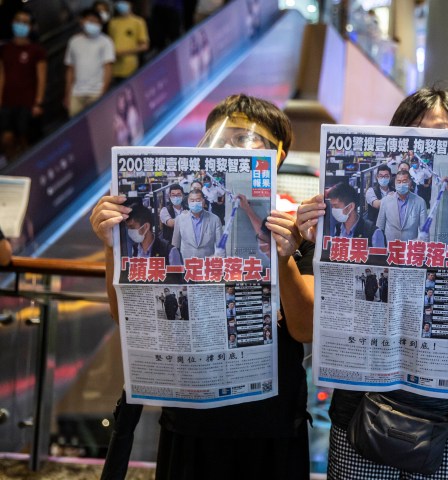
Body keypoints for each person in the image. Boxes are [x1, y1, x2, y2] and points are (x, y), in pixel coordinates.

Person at [90, 94, 315, 479]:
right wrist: (113, 245)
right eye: (220, 137)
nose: (230, 148)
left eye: (248, 140)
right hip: (189, 417)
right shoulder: (175, 223)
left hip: (270, 422)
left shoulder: (300, 228)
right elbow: (123, 313)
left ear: (277, 156)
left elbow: (304, 327)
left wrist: (283, 257)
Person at [296, 86, 448, 479]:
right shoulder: (371, 211)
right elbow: (312, 317)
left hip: (447, 412)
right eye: (414, 133)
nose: (426, 144)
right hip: (360, 402)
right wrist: (309, 236)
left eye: (442, 132)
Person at [0, 9, 47, 160]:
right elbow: (1, 75)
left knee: (25, 139)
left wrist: (38, 103)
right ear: (12, 23)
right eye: (18, 21)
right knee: (6, 139)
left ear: (31, 27)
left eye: (25, 22)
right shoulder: (4, 49)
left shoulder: (37, 51)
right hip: (7, 102)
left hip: (27, 103)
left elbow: (41, 79)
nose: (21, 25)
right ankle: (13, 171)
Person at [64, 9, 115, 117]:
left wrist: (103, 92)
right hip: (77, 93)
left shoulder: (105, 42)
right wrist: (67, 93)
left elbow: (108, 68)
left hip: (96, 93)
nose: (92, 24)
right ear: (82, 22)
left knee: (97, 124)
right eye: (90, 21)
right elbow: (70, 69)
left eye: (96, 22)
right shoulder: (74, 41)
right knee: (75, 126)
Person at [376, 169, 427, 242]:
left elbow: (424, 230)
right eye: (399, 182)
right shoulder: (385, 201)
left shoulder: (420, 202)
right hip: (390, 246)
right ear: (395, 183)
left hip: (410, 247)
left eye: (404, 182)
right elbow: (379, 226)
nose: (401, 184)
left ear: (410, 183)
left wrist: (424, 249)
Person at [171, 188, 223, 260]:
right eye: (192, 200)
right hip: (186, 263)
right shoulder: (180, 219)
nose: (195, 203)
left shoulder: (214, 219)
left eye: (198, 200)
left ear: (203, 201)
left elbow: (220, 246)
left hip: (208, 263)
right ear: (188, 202)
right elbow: (175, 245)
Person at [328, 181, 384, 247]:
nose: (333, 210)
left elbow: (378, 257)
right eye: (332, 207)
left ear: (350, 207)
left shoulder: (373, 232)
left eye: (336, 207)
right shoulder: (337, 229)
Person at [108, 0, 149, 83]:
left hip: (131, 66)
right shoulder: (112, 23)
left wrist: (124, 52)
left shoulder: (138, 22)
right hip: (114, 67)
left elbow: (144, 46)